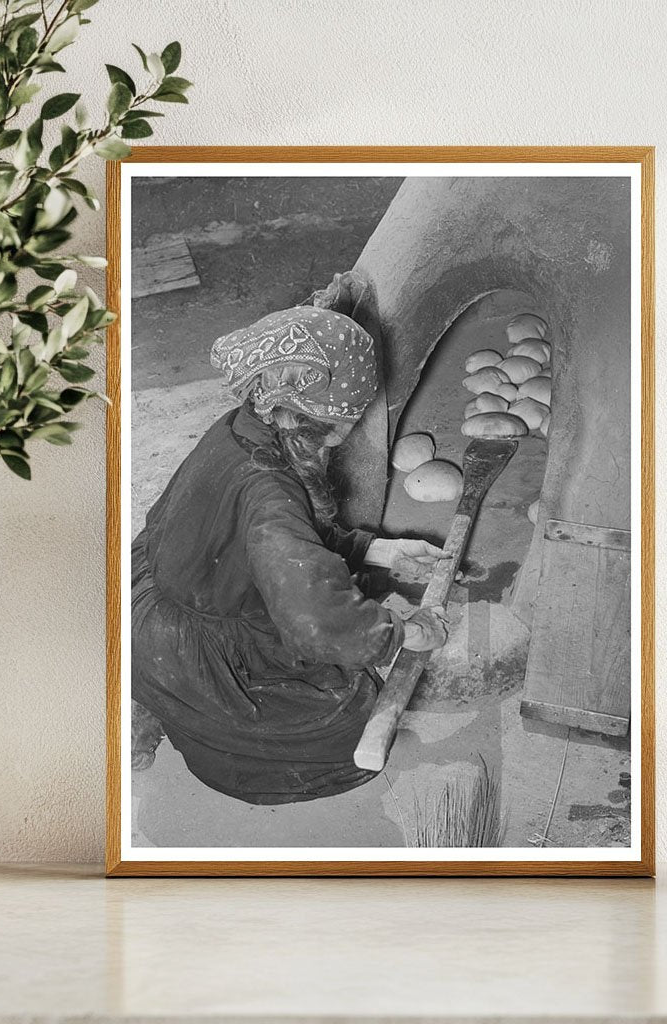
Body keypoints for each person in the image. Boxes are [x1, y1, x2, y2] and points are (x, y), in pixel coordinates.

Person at [130, 299, 450, 805]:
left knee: (337, 612)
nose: (345, 432)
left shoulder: (238, 429)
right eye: (343, 420)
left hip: (149, 607)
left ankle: (153, 701)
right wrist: (401, 632)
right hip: (192, 656)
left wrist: (381, 551)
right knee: (347, 725)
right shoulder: (269, 494)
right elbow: (315, 623)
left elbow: (277, 543)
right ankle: (176, 709)